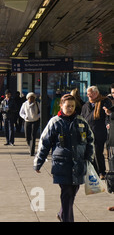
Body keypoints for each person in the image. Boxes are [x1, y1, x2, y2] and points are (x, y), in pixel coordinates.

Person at [34, 94, 94, 222]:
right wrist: (38, 163)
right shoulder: (54, 122)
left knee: (72, 192)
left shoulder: (81, 121)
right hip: (62, 166)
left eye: (72, 106)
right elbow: (44, 143)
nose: (70, 108)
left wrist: (89, 159)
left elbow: (90, 141)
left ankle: (62, 213)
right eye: (68, 106)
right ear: (61, 106)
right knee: (66, 194)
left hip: (78, 165)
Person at [81, 86, 112, 179]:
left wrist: (108, 124)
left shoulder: (104, 102)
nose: (88, 96)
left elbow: (108, 116)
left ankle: (102, 171)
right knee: (90, 153)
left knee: (98, 152)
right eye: (87, 94)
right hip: (88, 132)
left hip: (99, 132)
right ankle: (94, 171)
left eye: (89, 94)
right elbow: (82, 117)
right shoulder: (86, 105)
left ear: (95, 93)